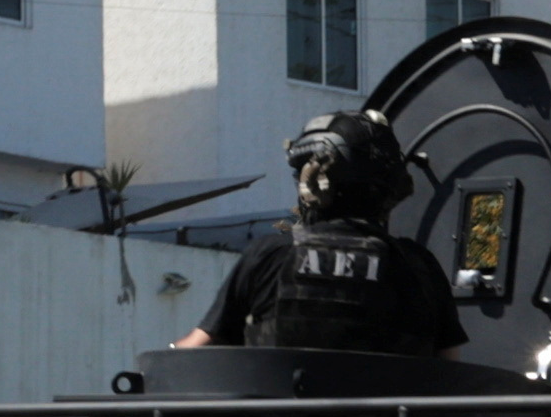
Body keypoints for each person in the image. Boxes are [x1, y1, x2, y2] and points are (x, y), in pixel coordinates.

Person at [176, 106, 466, 360]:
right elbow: (451, 372)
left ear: (309, 186)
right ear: (389, 186)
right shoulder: (419, 266)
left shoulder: (271, 256)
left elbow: (196, 352)